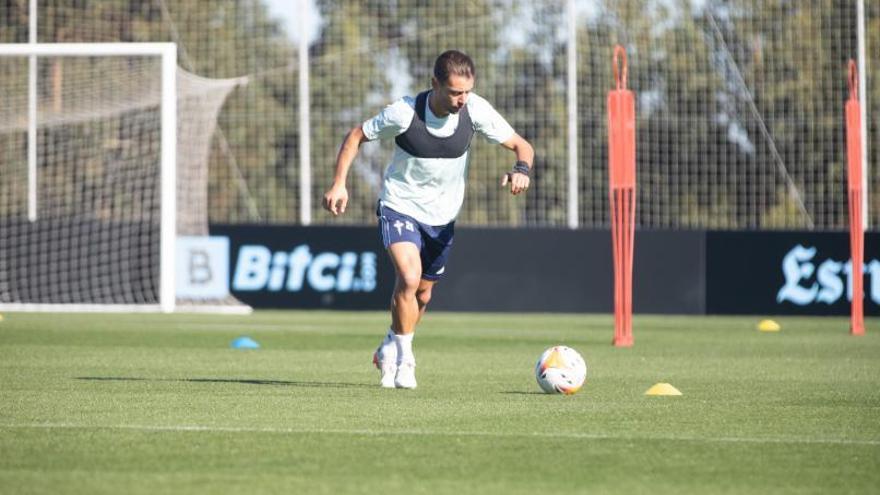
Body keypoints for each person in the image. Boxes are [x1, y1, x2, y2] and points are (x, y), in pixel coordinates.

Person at [322, 49, 534, 389]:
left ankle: (391, 344)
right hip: (400, 206)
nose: (462, 99)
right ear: (434, 83)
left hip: (443, 217)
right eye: (454, 92)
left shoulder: (475, 109)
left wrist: (521, 170)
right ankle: (406, 360)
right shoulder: (404, 113)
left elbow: (522, 146)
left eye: (466, 91)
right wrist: (339, 183)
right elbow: (356, 136)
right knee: (408, 277)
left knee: (422, 296)